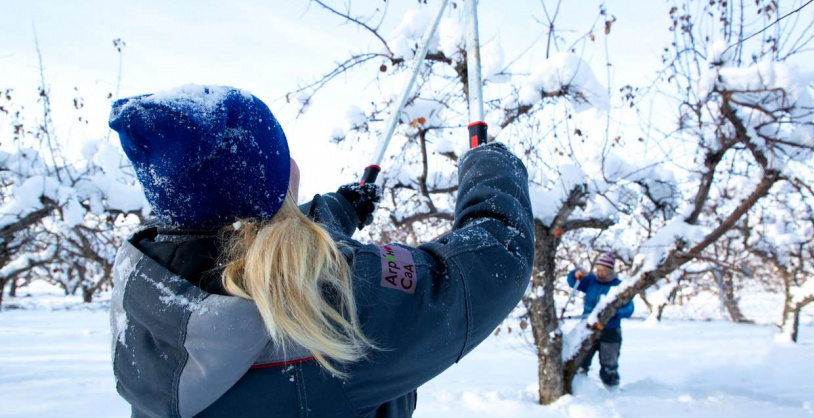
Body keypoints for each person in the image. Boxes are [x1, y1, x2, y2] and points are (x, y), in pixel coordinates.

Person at [108, 85, 535, 418]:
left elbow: (251, 241)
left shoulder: (148, 293)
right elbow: (497, 255)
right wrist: (490, 165)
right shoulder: (334, 305)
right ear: (267, 187)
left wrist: (342, 206)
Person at [567, 252, 634, 389]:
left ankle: (611, 388)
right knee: (582, 358)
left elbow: (629, 309)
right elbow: (573, 282)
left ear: (611, 271)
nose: (600, 273)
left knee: (609, 362)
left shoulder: (618, 286)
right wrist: (575, 274)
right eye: (598, 270)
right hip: (588, 328)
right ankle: (580, 386)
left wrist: (614, 313)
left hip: (610, 330)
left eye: (604, 270)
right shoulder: (591, 281)